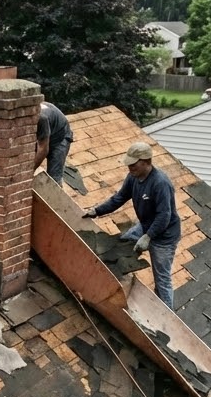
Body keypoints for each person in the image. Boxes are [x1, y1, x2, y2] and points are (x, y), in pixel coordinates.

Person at [82, 141, 181, 309]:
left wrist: (148, 236)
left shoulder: (160, 183)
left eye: (133, 164)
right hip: (145, 226)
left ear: (146, 161)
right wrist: (97, 211)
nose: (130, 167)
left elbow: (165, 215)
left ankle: (168, 318)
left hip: (164, 236)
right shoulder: (133, 177)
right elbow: (119, 198)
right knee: (120, 246)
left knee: (162, 280)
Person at [35, 102, 74, 186]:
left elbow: (43, 150)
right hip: (46, 131)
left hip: (60, 139)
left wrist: (29, 172)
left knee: (53, 179)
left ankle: (56, 196)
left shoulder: (41, 118)